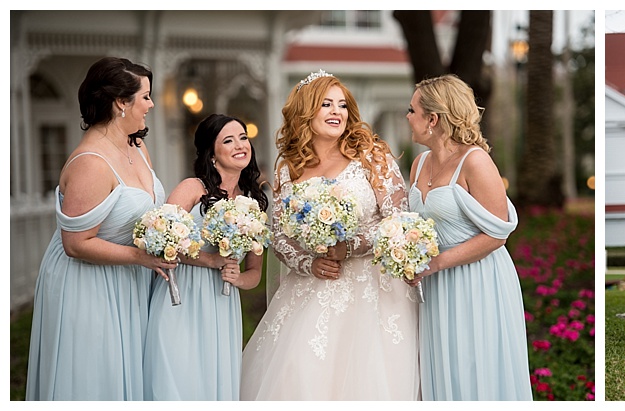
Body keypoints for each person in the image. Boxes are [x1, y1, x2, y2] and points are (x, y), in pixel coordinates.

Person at [240, 70, 419, 400]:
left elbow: (399, 224)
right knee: (300, 373)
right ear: (306, 111)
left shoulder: (372, 156)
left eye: (342, 105)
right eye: (326, 104)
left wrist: (350, 246)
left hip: (373, 290)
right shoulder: (288, 168)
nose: (337, 112)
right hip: (315, 284)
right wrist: (309, 263)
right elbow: (278, 236)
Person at [26, 56, 173, 400]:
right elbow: (76, 244)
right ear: (121, 102)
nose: (151, 105)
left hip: (128, 279)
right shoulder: (90, 163)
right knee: (96, 381)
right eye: (146, 97)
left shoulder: (136, 145)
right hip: (89, 285)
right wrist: (144, 257)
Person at [405, 74, 533, 400]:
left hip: (478, 280)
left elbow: (497, 234)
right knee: (442, 368)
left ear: (432, 119)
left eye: (412, 110)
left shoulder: (475, 161)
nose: (407, 117)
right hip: (434, 285)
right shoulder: (419, 164)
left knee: (476, 368)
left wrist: (439, 261)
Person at [143, 114, 266, 399]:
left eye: (243, 138)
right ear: (212, 154)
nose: (240, 145)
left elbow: (254, 274)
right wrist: (210, 260)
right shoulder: (193, 189)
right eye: (228, 140)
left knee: (212, 383)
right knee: (177, 376)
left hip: (222, 304)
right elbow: (160, 243)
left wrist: (238, 278)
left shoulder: (253, 201)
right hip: (182, 296)